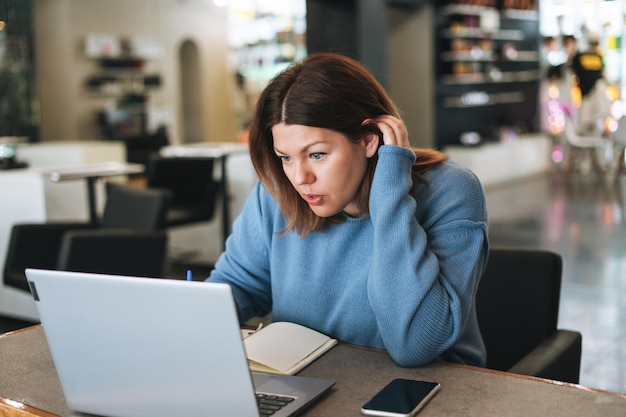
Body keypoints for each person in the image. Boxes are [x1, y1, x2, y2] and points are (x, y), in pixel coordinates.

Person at [206, 53, 489, 367]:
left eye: (316, 154)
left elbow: (414, 344)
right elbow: (240, 286)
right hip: (312, 381)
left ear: (369, 141)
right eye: (285, 157)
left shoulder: (450, 190)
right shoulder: (277, 191)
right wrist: (189, 317)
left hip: (431, 392)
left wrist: (391, 193)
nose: (300, 178)